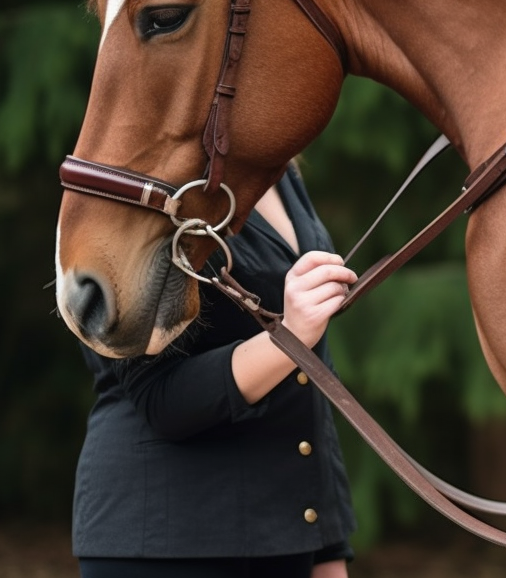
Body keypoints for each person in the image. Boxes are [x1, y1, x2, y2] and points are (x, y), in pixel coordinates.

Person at [72, 164, 359, 578]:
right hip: (166, 543)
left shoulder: (279, 169)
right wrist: (288, 337)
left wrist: (328, 546)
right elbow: (160, 398)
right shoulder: (142, 174)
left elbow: (307, 383)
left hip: (284, 539)